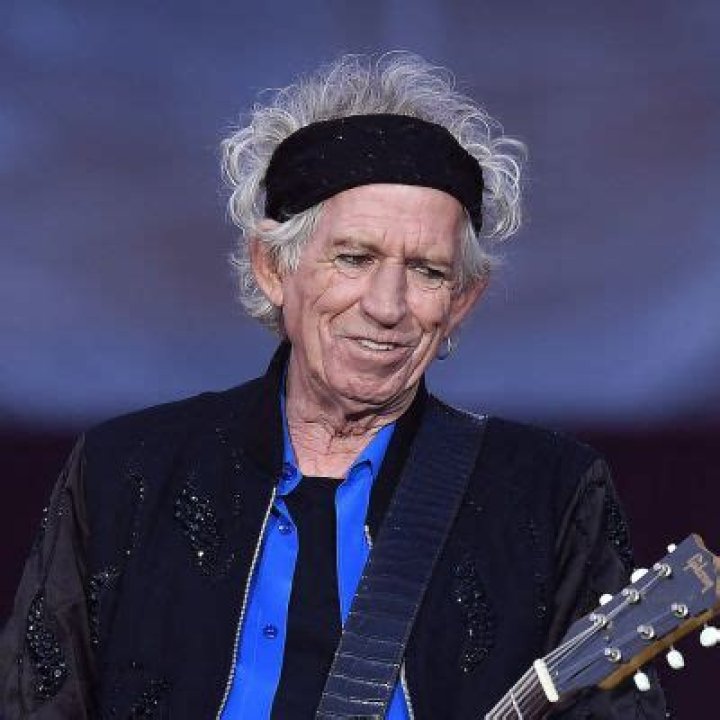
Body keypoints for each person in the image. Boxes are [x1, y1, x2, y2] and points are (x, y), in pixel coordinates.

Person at [0, 53, 666, 719]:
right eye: (354, 258)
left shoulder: (550, 494)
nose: (386, 305)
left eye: (428, 271)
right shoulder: (123, 473)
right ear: (273, 268)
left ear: (463, 300)